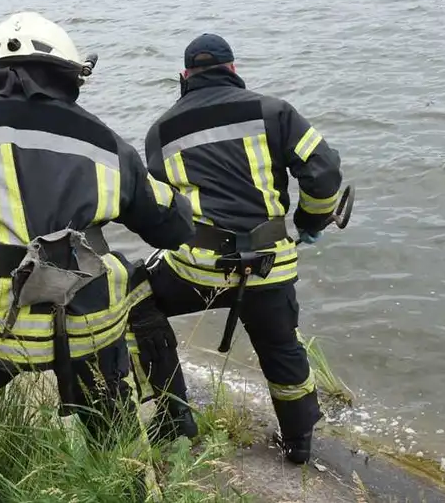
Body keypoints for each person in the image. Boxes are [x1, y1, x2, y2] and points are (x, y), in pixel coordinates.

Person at [0, 11, 195, 503]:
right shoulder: (105, 141)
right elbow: (173, 224)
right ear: (71, 75)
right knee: (115, 430)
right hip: (92, 319)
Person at [129, 33, 344, 465]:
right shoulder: (274, 112)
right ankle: (299, 443)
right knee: (282, 347)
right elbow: (323, 175)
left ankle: (175, 415)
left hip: (197, 270)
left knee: (134, 297)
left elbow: (158, 211)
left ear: (185, 76)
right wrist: (309, 223)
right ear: (233, 69)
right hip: (270, 266)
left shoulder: (160, 133)